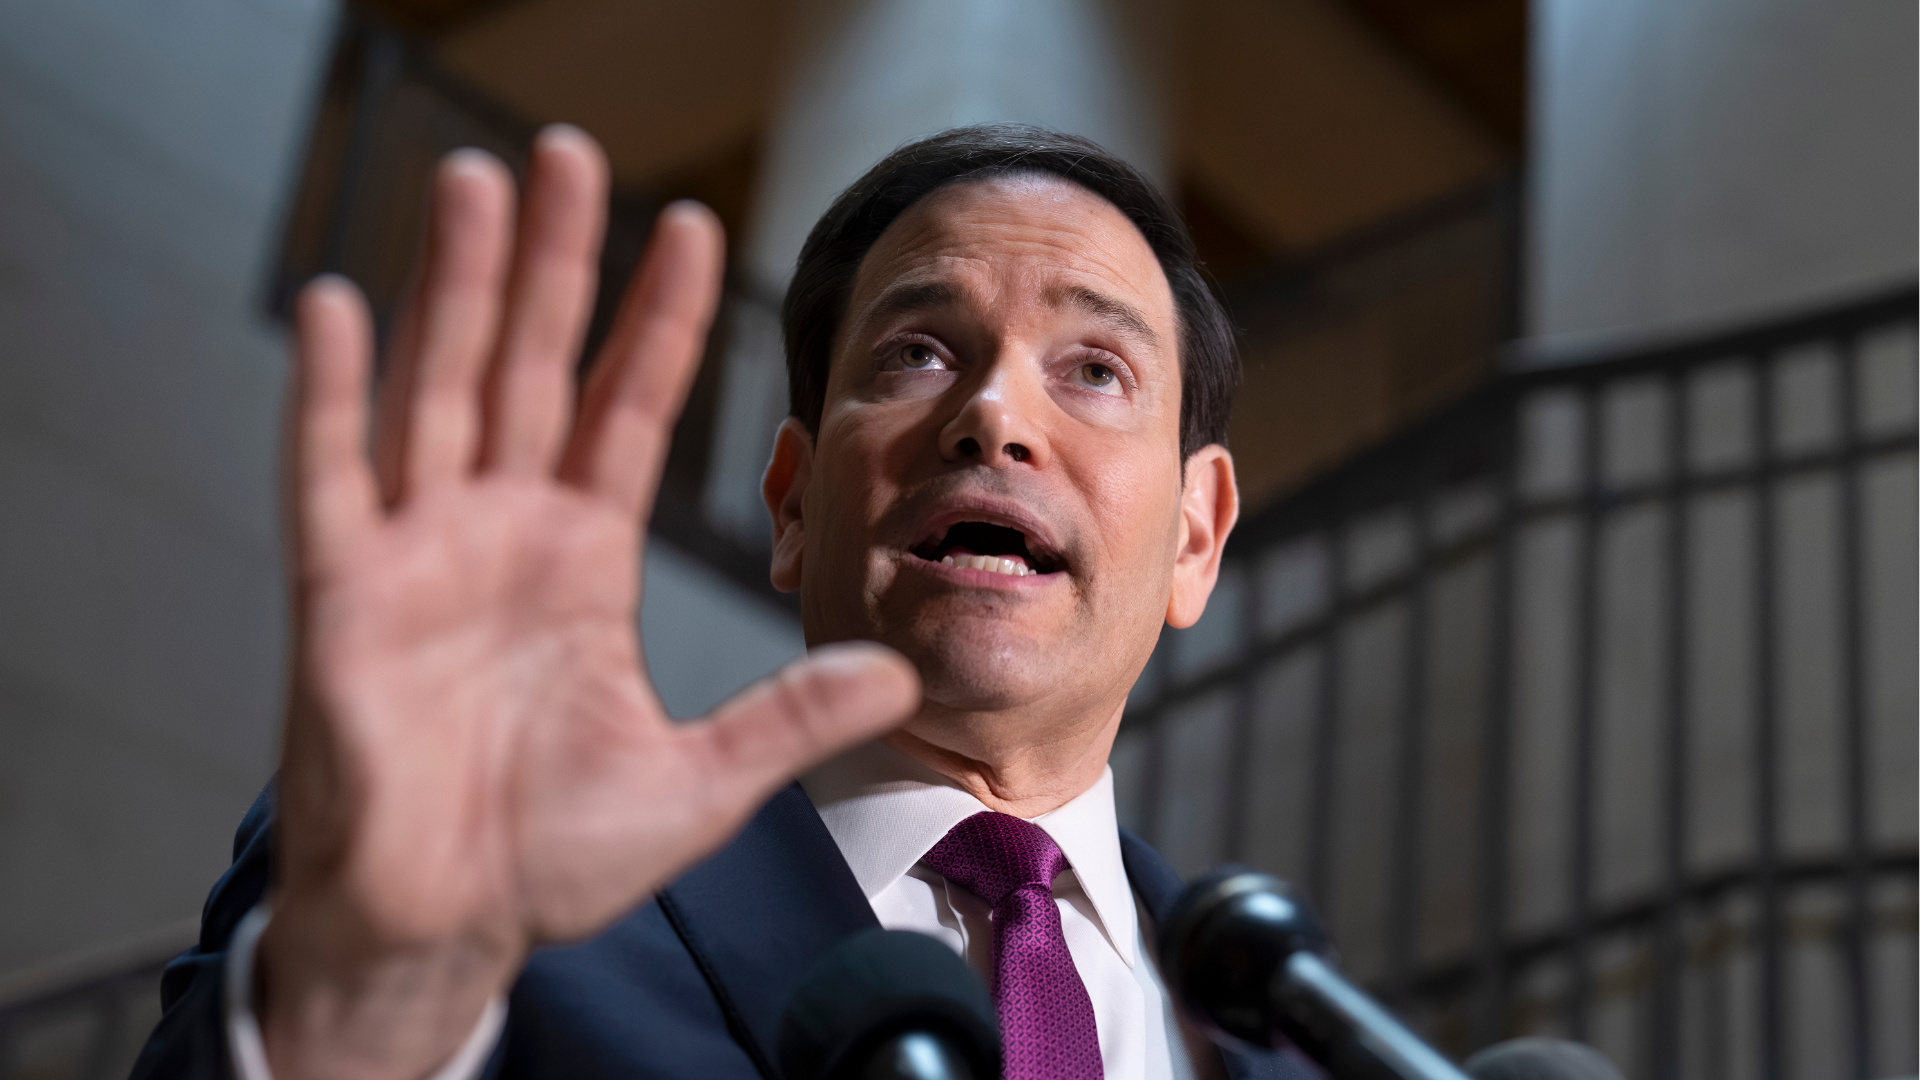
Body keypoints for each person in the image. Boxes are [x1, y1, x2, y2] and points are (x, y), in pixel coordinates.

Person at [131, 123, 1313, 1080]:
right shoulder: (493, 882)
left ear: (1195, 539)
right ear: (792, 504)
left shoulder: (1298, 1036)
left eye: (1095, 371)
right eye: (916, 352)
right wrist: (359, 1014)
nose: (995, 415)